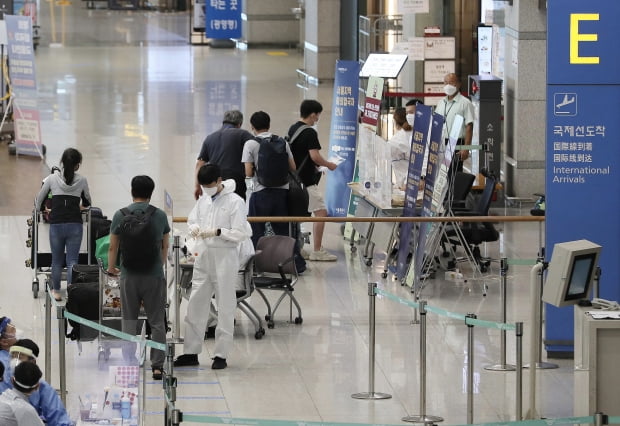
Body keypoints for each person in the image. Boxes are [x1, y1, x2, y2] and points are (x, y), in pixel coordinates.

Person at [174, 164, 252, 370]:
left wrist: (218, 232)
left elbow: (241, 233)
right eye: (203, 186)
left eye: (209, 185)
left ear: (219, 181)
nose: (206, 189)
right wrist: (195, 228)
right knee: (195, 304)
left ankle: (221, 355)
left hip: (225, 256)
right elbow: (192, 220)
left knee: (225, 306)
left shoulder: (235, 202)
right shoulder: (204, 200)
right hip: (204, 256)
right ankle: (191, 352)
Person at [107, 175, 170, 380]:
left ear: (132, 190)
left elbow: (113, 247)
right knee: (157, 321)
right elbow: (165, 246)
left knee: (129, 320)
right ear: (151, 193)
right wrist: (158, 266)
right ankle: (158, 366)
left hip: (128, 275)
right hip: (153, 276)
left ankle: (129, 362)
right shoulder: (159, 215)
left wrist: (111, 268)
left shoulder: (120, 215)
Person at [35, 148, 91, 301]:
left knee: (56, 260)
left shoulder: (52, 179)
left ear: (62, 162)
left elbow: (39, 199)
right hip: (75, 225)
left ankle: (57, 292)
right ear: (77, 165)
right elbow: (87, 202)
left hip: (57, 225)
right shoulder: (82, 180)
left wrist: (42, 209)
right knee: (72, 261)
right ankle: (72, 292)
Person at [287, 100, 338, 262]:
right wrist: (329, 165)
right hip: (306, 181)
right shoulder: (310, 132)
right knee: (321, 213)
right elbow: (314, 155)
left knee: (296, 215)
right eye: (318, 114)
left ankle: (297, 248)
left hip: (294, 180)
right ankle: (317, 250)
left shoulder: (294, 128)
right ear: (313, 114)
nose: (318, 118)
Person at [242, 111, 296, 248]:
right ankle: (287, 261)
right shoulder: (282, 141)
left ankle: (256, 263)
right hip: (281, 192)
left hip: (260, 192)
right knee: (282, 231)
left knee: (256, 231)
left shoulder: (250, 144)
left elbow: (248, 172)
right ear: (269, 124)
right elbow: (293, 167)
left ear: (252, 126)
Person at [1, 339, 72, 425]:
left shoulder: (43, 388)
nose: (14, 361)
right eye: (13, 356)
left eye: (20, 357)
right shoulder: (2, 379)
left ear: (32, 362)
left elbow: (59, 419)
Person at [195, 110, 254, 201]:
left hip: (215, 182)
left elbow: (199, 163)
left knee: (217, 208)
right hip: (237, 183)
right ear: (239, 124)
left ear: (223, 122)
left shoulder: (210, 137)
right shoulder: (243, 134)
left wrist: (197, 186)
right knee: (235, 208)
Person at [433, 73, 475, 172]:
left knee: (454, 174)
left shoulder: (465, 103)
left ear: (459, 84)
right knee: (441, 173)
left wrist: (466, 148)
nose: (448, 85)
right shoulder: (441, 102)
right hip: (441, 142)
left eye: (451, 83)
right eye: (446, 83)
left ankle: (455, 188)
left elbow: (469, 126)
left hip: (456, 142)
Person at [388, 107, 413, 189]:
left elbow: (382, 152)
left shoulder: (397, 139)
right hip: (419, 182)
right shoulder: (417, 134)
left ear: (395, 122)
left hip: (405, 186)